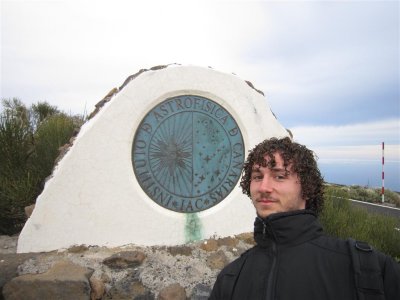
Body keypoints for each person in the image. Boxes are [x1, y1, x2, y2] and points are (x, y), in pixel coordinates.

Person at [209, 137, 400, 300]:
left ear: (307, 188)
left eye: (280, 176)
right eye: (257, 176)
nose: (263, 187)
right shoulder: (231, 277)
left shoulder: (367, 267)